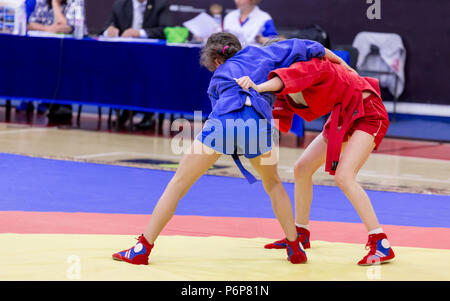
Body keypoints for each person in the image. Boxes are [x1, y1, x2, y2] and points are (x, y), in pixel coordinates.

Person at [111, 33, 350, 266]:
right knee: (274, 184)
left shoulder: (217, 79)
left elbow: (225, 113)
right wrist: (340, 61)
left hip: (225, 124)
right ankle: (295, 247)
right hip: (259, 126)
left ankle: (142, 248)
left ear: (216, 61)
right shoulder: (263, 52)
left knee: (178, 184)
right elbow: (309, 45)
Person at [235, 40, 395, 266]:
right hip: (343, 116)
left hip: (368, 114)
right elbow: (280, 118)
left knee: (344, 176)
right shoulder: (286, 79)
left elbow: (303, 61)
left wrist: (258, 87)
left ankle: (381, 242)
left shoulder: (310, 66)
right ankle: (301, 233)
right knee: (302, 169)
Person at [102, 0, 173, 128]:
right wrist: (109, 30)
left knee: (148, 71)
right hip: (125, 56)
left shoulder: (160, 4)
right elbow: (107, 26)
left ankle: (148, 113)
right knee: (117, 70)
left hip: (151, 56)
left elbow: (166, 29)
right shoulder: (121, 4)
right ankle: (124, 109)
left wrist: (139, 33)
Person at [24, 0, 76, 120]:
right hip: (43, 50)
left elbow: (66, 27)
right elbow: (30, 24)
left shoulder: (75, 2)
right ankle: (44, 99)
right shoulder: (42, 1)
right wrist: (49, 29)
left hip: (66, 53)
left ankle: (61, 103)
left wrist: (55, 4)